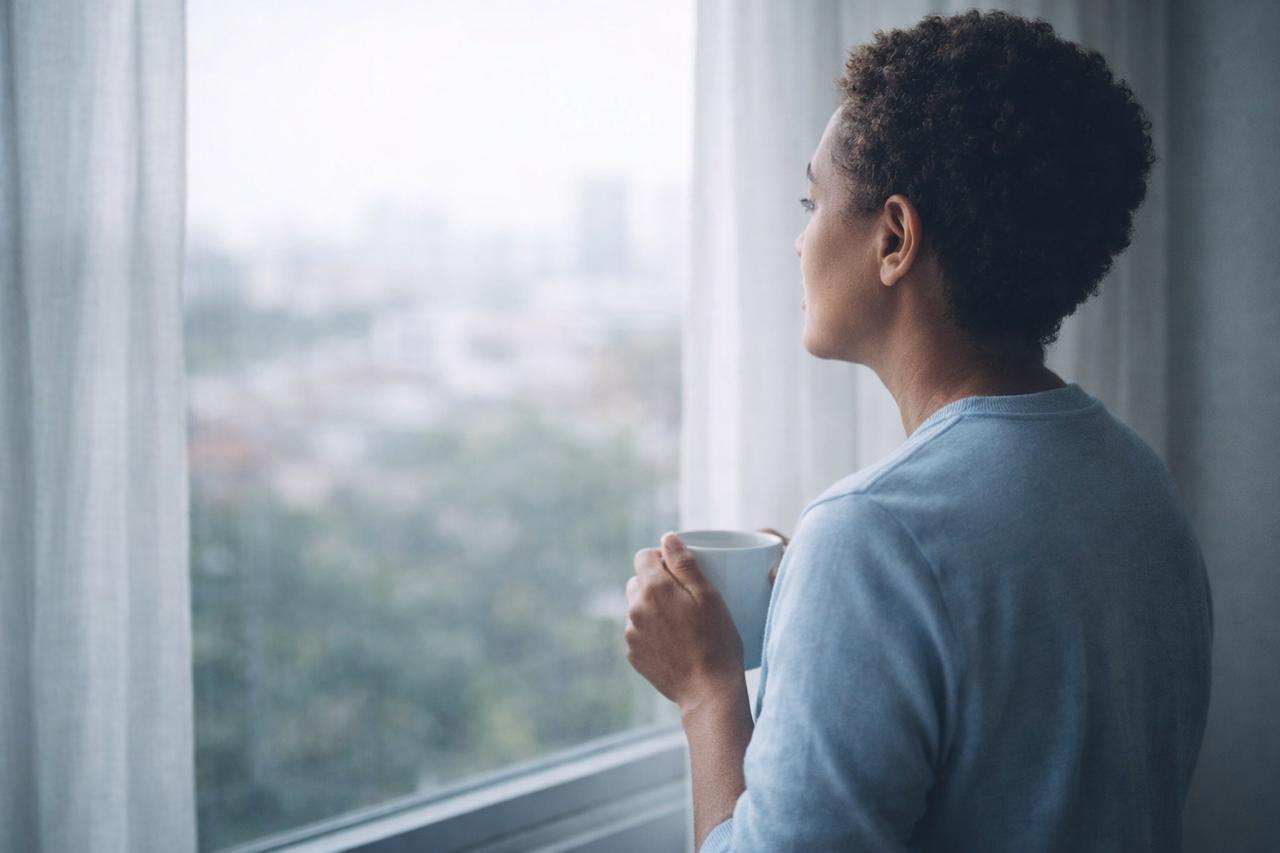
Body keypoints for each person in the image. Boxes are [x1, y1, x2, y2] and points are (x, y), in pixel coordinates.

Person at [623, 9, 1213, 852]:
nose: (798, 242)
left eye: (812, 201)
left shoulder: (870, 536)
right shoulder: (1135, 478)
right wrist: (831, 607)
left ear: (895, 237)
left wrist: (706, 689)